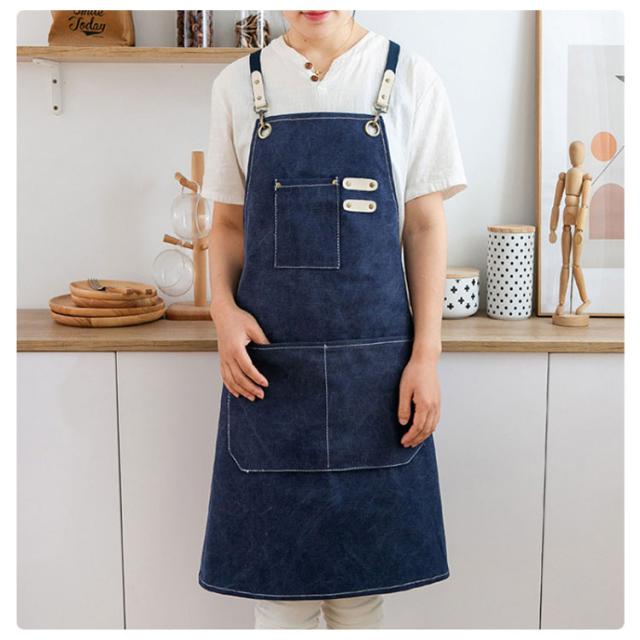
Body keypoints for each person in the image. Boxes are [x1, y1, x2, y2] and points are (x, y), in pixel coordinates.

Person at [198, 9, 467, 630]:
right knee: (278, 597)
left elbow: (424, 227)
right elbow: (228, 224)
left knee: (359, 597)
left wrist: (426, 356)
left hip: (374, 379)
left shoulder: (410, 77)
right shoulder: (237, 85)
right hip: (270, 375)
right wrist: (222, 309)